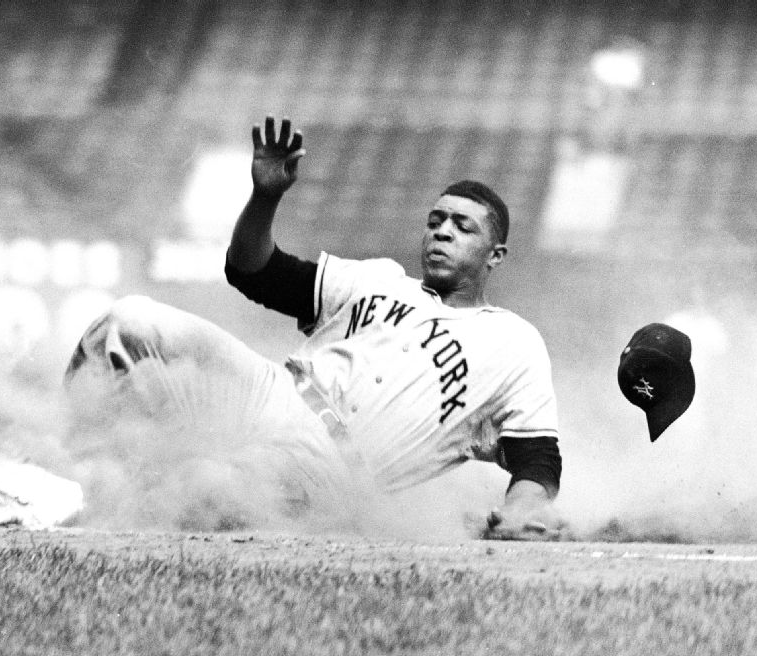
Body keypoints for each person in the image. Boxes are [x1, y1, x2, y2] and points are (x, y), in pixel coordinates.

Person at [67, 117, 562, 538]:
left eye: (462, 225)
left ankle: (90, 502)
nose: (442, 230)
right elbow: (253, 272)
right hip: (272, 390)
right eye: (436, 220)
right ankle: (74, 462)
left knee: (204, 488)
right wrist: (264, 198)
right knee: (128, 321)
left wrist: (521, 511)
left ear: (496, 256)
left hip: (332, 462)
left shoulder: (513, 342)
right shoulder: (379, 279)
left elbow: (536, 458)